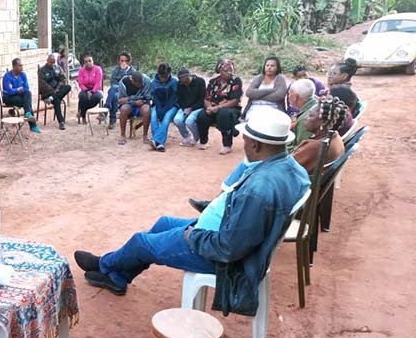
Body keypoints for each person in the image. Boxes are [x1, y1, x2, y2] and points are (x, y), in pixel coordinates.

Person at [73, 108, 310, 307]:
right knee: (163, 223)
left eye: (246, 140)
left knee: (141, 241)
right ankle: (117, 275)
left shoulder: (259, 190)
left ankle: (105, 265)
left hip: (218, 254)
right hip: (222, 230)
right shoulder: (287, 165)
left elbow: (229, 248)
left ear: (257, 145)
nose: (243, 145)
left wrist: (192, 236)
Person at [196, 58, 244, 155]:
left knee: (224, 114)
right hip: (213, 108)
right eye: (226, 71)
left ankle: (227, 145)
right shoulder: (213, 82)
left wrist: (219, 107)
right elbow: (206, 98)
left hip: (231, 109)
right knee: (202, 115)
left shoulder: (236, 81)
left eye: (231, 70)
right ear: (220, 71)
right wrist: (209, 107)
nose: (229, 73)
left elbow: (235, 100)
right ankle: (203, 141)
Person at [292, 96, 347, 174]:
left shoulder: (314, 147)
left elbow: (285, 169)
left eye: (311, 115)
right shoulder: (336, 137)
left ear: (323, 122)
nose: (305, 118)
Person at [1, 58, 40, 133]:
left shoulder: (23, 75)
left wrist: (15, 90)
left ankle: (28, 114)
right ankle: (33, 125)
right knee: (27, 103)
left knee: (28, 93)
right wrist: (18, 89)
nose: (21, 67)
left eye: (22, 65)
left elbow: (26, 88)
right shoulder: (7, 76)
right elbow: (9, 91)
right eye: (19, 66)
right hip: (8, 98)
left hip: (19, 96)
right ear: (14, 66)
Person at [149, 63, 179, 151]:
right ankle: (159, 144)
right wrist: (159, 109)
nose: (163, 79)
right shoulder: (153, 82)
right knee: (153, 117)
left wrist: (165, 109)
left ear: (169, 73)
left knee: (166, 118)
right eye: (161, 76)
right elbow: (155, 98)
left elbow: (174, 99)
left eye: (165, 76)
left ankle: (156, 140)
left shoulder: (174, 82)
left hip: (172, 106)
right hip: (158, 105)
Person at [117, 70, 151, 145]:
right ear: (132, 80)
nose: (140, 85)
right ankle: (122, 135)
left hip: (142, 104)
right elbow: (120, 100)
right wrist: (134, 102)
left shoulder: (147, 81)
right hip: (129, 104)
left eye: (141, 82)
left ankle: (145, 135)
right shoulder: (123, 82)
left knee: (146, 110)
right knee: (123, 109)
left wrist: (142, 102)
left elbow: (148, 98)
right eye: (138, 83)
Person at [174, 67, 206, 147]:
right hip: (185, 107)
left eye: (187, 82)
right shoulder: (180, 84)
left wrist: (191, 108)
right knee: (177, 120)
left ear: (190, 76)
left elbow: (202, 99)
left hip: (198, 107)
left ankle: (196, 137)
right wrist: (185, 108)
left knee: (189, 121)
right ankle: (186, 136)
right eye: (183, 83)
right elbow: (179, 99)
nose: (186, 84)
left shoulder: (200, 82)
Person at [38, 53, 72, 130]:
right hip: (47, 93)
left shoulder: (58, 68)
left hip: (57, 91)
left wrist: (58, 87)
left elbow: (63, 79)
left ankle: (52, 98)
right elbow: (42, 84)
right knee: (57, 100)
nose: (52, 64)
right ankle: (61, 122)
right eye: (51, 62)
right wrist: (53, 90)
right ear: (47, 61)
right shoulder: (41, 70)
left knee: (68, 87)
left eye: (54, 62)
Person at [286, 78, 317, 152]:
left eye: (289, 93)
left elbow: (301, 150)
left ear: (295, 97)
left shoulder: (306, 119)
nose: (288, 96)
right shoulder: (315, 106)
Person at [106, 52, 135, 129]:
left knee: (114, 89)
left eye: (125, 61)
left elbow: (131, 83)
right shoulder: (116, 70)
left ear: (128, 61)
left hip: (126, 92)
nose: (123, 63)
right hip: (116, 91)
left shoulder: (132, 71)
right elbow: (112, 81)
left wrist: (123, 71)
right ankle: (112, 121)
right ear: (119, 61)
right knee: (115, 95)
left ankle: (107, 109)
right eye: (121, 61)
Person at [76, 55, 103, 123]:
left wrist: (92, 91)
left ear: (93, 61)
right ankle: (84, 117)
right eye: (86, 61)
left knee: (97, 97)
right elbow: (81, 83)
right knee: (82, 97)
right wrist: (86, 90)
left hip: (96, 89)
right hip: (85, 89)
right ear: (84, 63)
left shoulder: (98, 69)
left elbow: (98, 83)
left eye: (90, 61)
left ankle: (82, 111)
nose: (88, 63)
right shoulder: (81, 70)